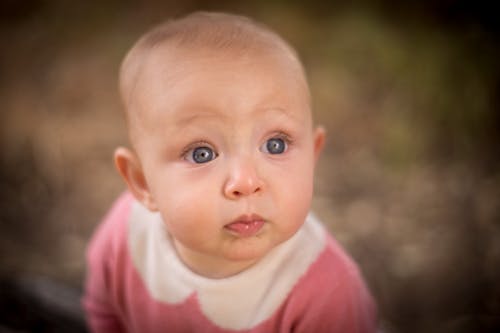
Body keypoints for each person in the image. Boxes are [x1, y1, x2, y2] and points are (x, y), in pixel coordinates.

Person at [83, 11, 377, 332]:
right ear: (142, 184)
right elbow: (104, 310)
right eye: (201, 153)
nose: (246, 182)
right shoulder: (127, 235)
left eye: (275, 145)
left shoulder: (327, 293)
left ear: (312, 156)